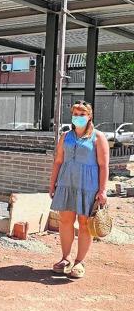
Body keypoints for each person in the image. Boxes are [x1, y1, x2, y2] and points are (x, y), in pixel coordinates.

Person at [49, 101, 109, 278]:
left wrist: (103, 190)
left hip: (88, 187)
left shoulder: (98, 137)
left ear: (89, 116)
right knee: (65, 221)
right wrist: (52, 183)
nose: (78, 117)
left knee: (84, 224)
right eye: (75, 114)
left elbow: (104, 166)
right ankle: (65, 258)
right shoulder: (65, 136)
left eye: (82, 114)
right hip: (66, 183)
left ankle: (79, 262)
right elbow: (58, 161)